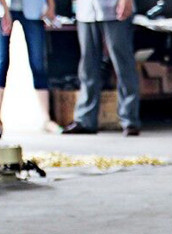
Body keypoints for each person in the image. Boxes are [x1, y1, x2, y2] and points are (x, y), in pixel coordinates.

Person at [63, 0, 140, 136]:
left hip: (115, 9)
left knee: (123, 64)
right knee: (88, 66)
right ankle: (85, 120)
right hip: (86, 10)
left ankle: (130, 120)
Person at [0, 0, 61, 138]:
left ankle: (46, 119)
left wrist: (51, 5)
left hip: (33, 8)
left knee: (38, 62)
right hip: (3, 8)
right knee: (1, 62)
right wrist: (5, 9)